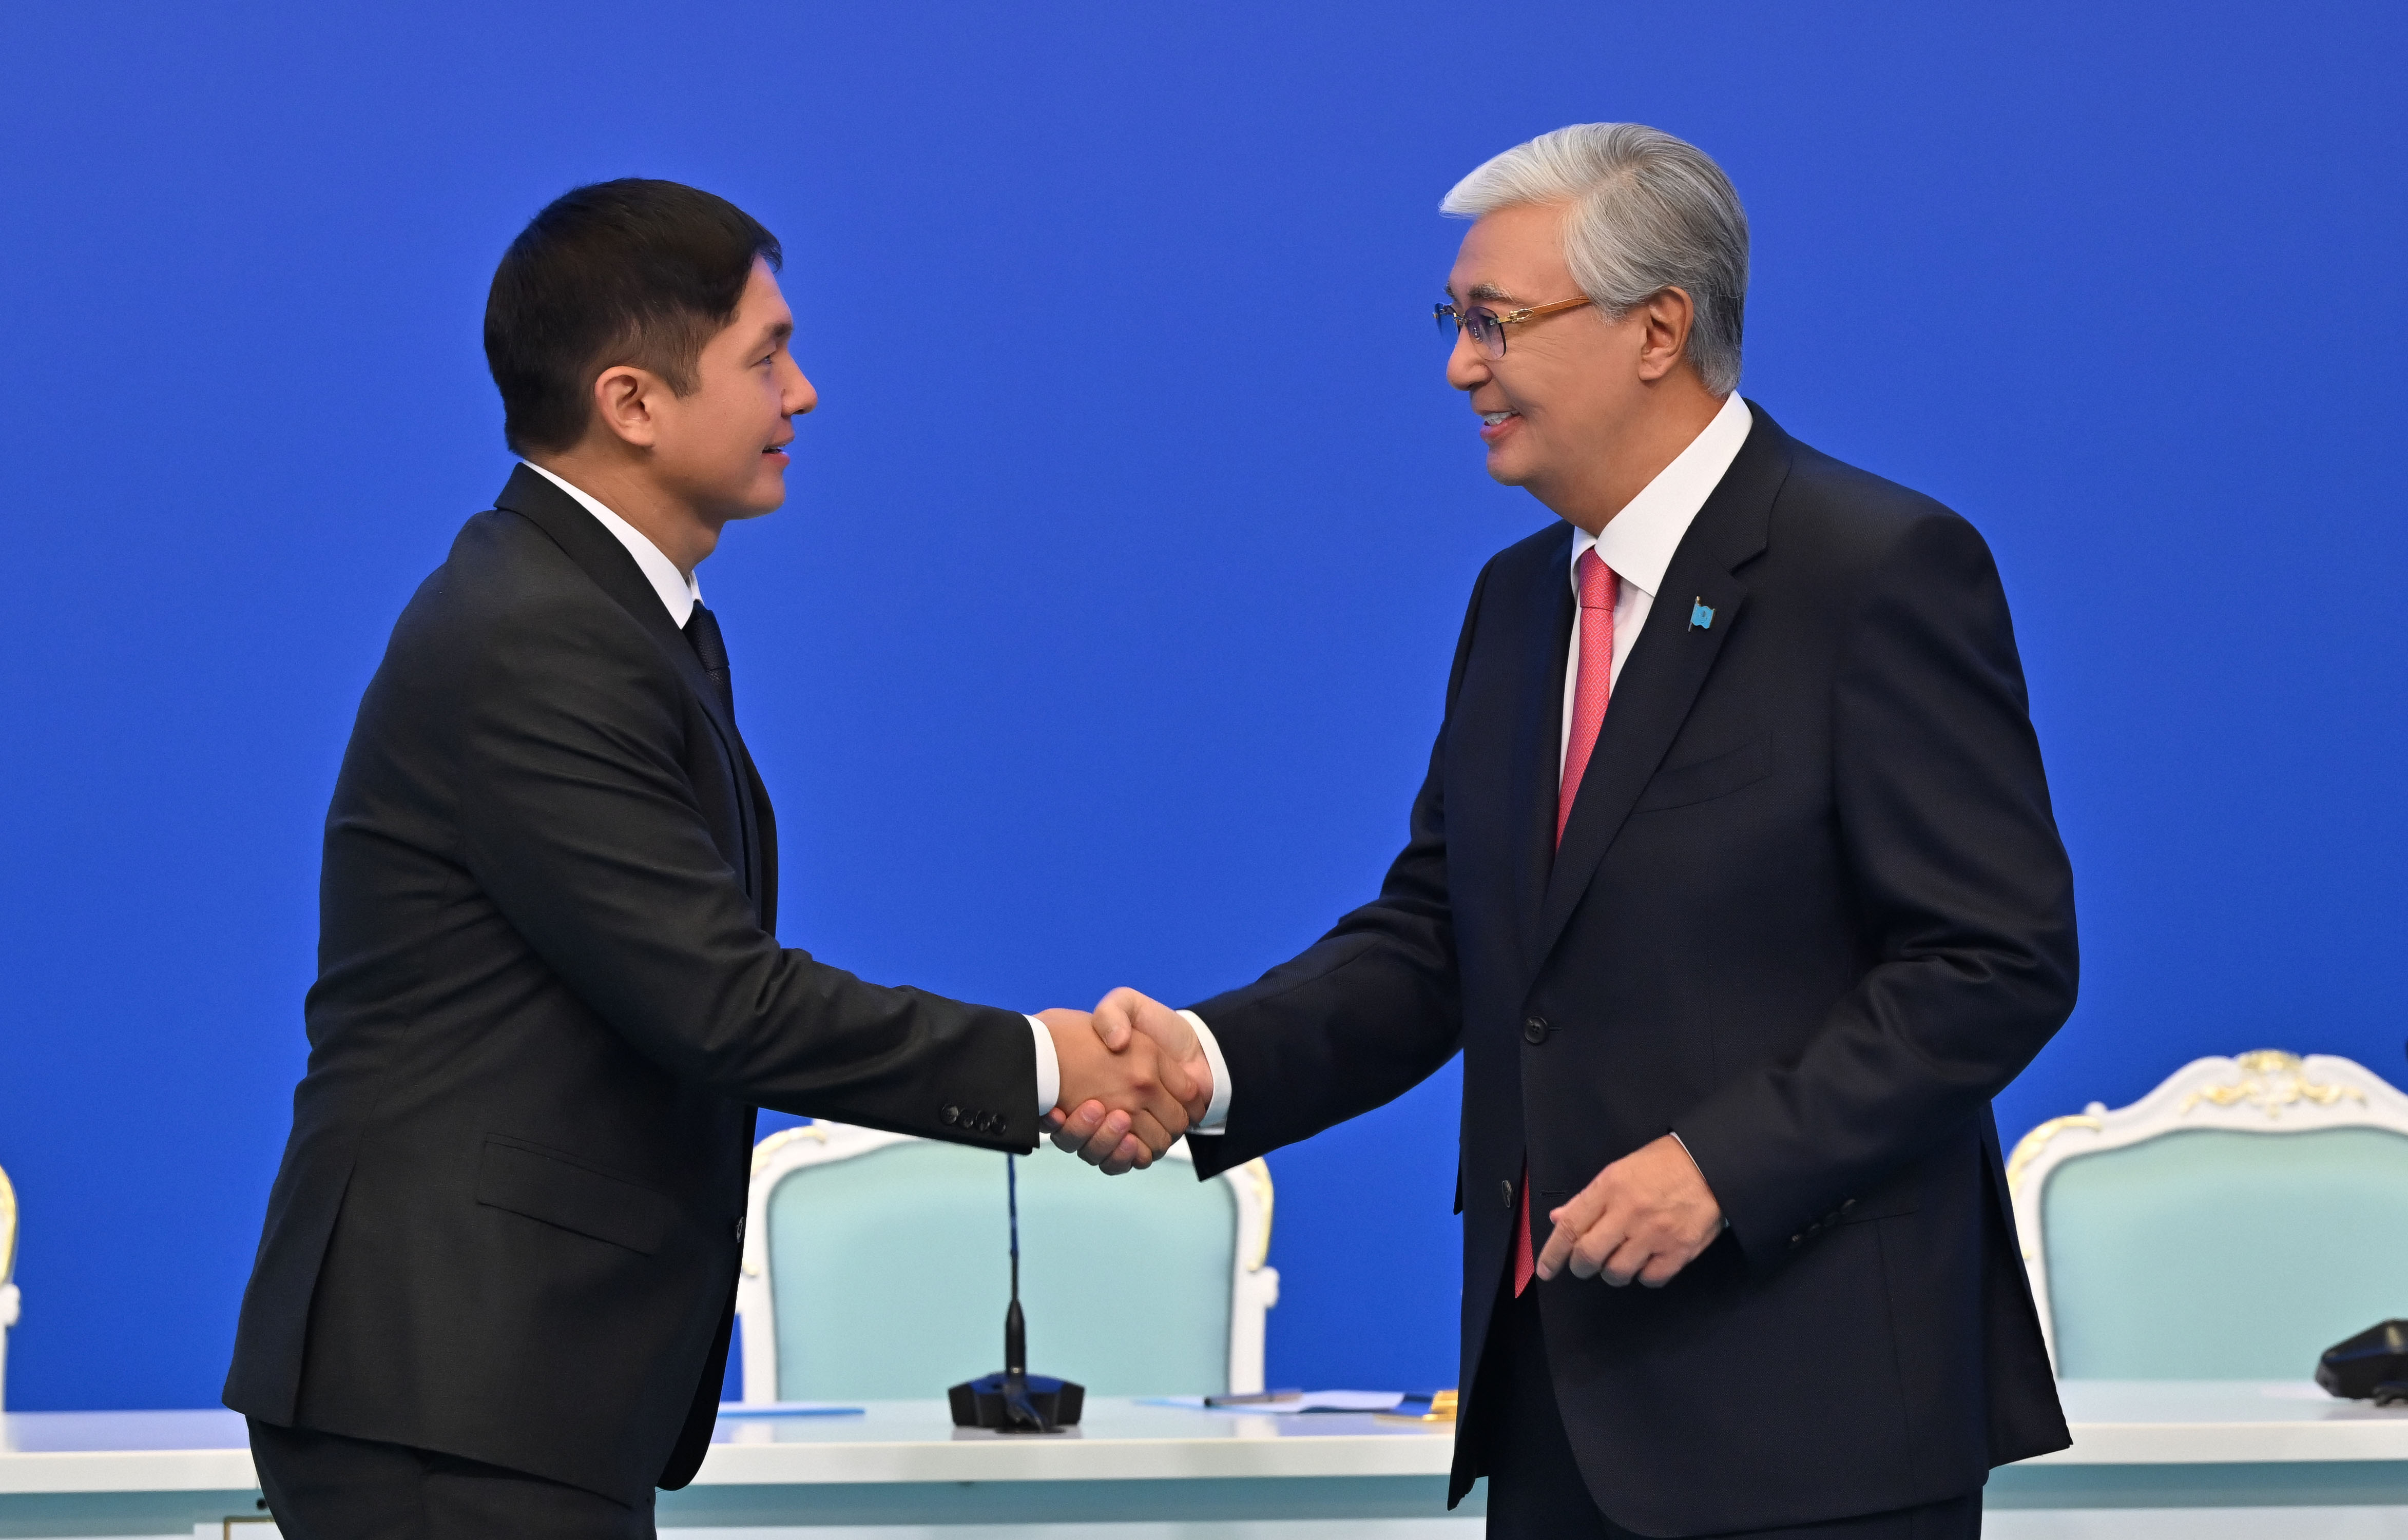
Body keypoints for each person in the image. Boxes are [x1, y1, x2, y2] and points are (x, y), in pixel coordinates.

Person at [1052, 124, 2079, 1538]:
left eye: (1496, 322)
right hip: (1555, 1407)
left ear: (1658, 328)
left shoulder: (1877, 567)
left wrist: (1719, 1164)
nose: (1459, 368)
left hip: (1817, 1424)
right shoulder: (1517, 600)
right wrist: (1204, 1060)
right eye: (1453, 322)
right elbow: (1440, 939)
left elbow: (1994, 960)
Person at [223, 179, 1200, 1539]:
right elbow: (721, 1001)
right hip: (445, 1387)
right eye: (766, 355)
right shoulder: (534, 636)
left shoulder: (608, 615)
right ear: (632, 401)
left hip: (502, 1389)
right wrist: (1046, 1066)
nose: (803, 393)